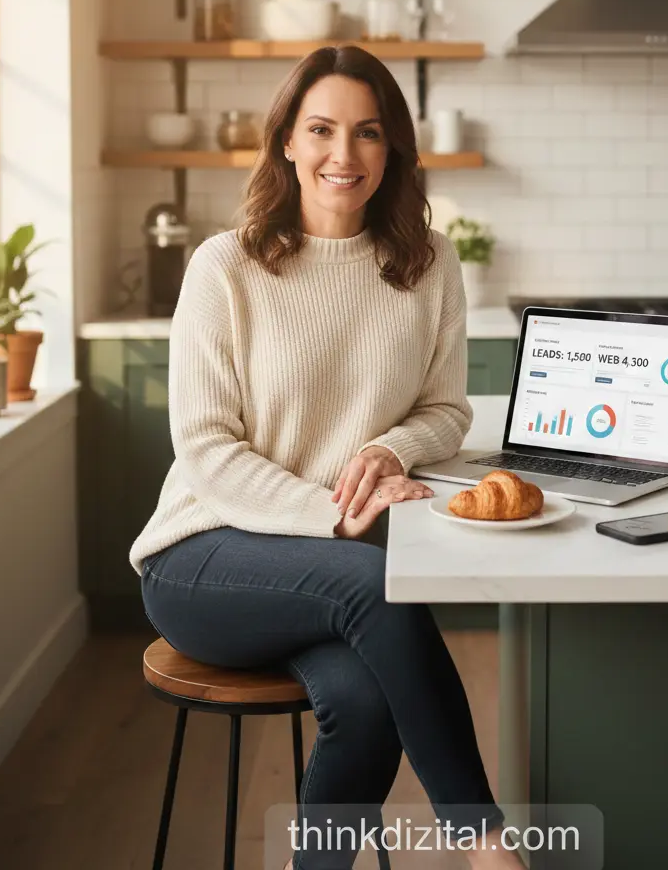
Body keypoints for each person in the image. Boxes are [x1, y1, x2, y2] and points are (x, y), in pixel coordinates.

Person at [131, 45, 523, 870]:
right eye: (321, 129)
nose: (343, 154)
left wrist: (388, 446)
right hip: (203, 556)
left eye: (367, 132)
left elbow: (446, 410)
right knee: (376, 585)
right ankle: (486, 844)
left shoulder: (429, 263)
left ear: (393, 148)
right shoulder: (226, 267)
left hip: (323, 579)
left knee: (367, 703)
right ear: (286, 141)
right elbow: (204, 447)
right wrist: (331, 515)